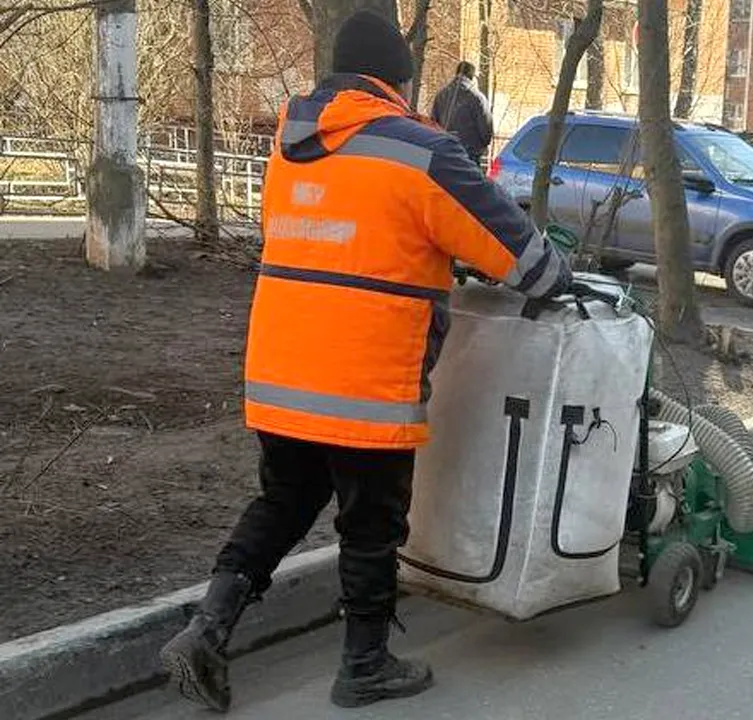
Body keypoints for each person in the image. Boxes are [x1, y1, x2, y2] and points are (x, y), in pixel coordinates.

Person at [158, 9, 571, 714]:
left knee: (285, 501)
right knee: (372, 524)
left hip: (281, 372)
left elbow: (347, 240)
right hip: (366, 381)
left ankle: (207, 628)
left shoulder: (290, 145)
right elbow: (522, 258)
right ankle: (365, 666)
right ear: (397, 83)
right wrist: (555, 273)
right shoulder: (421, 151)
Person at [431, 61, 494, 167]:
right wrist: (482, 146)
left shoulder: (441, 95)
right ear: (472, 76)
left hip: (444, 151)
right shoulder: (477, 97)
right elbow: (485, 129)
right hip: (469, 154)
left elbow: (433, 124)